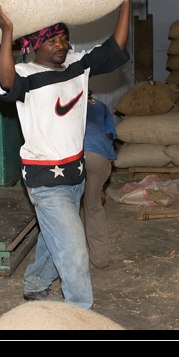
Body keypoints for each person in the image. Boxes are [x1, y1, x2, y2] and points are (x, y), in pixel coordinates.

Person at [0, 0, 135, 310]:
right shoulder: (24, 74)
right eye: (52, 39)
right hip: (45, 181)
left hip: (76, 175)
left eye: (64, 37)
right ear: (32, 44)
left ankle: (36, 283)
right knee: (74, 250)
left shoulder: (76, 65)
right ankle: (79, 315)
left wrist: (125, 5)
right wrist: (5, 32)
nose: (61, 43)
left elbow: (115, 47)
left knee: (53, 237)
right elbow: (6, 81)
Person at [81, 90, 118, 269]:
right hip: (98, 155)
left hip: (70, 156)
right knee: (93, 208)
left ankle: (71, 260)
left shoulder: (62, 101)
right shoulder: (100, 106)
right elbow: (109, 136)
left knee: (67, 209)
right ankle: (100, 259)